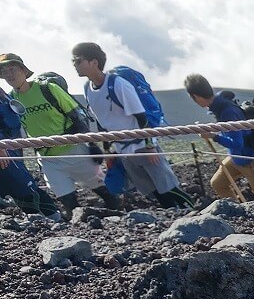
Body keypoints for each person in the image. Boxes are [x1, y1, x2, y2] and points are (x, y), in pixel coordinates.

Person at [73, 42, 194, 210]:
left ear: (94, 62)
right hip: (123, 149)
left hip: (141, 145)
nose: (74, 65)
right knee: (153, 190)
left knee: (168, 187)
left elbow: (141, 116)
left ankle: (195, 211)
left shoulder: (118, 84)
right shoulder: (88, 89)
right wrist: (109, 153)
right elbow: (103, 125)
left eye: (78, 60)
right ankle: (176, 215)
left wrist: (149, 145)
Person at [0, 53, 104, 214]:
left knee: (105, 193)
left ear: (23, 69)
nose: (9, 75)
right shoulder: (10, 100)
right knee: (68, 204)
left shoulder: (47, 88)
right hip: (48, 158)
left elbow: (77, 115)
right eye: (4, 72)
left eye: (12, 69)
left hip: (75, 151)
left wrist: (91, 144)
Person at [183, 74, 254, 205]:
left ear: (196, 97)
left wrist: (213, 136)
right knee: (218, 184)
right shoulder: (219, 105)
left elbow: (237, 143)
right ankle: (237, 211)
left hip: (251, 160)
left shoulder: (227, 111)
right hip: (236, 158)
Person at [0, 77, 59, 217]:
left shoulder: (5, 96)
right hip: (5, 148)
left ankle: (54, 220)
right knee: (19, 183)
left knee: (21, 184)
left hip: (9, 148)